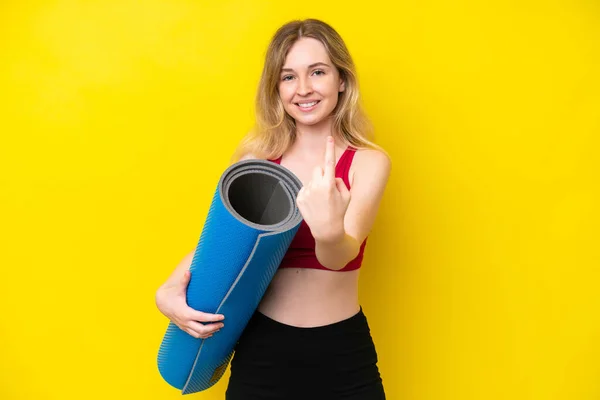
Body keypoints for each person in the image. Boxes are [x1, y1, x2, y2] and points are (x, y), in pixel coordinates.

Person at [155, 18, 391, 399]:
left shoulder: (368, 162)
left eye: (318, 72)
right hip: (262, 350)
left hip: (342, 353)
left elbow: (340, 255)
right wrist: (169, 288)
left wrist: (328, 229)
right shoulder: (259, 159)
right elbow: (225, 245)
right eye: (288, 77)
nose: (304, 89)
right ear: (276, 89)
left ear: (342, 80)